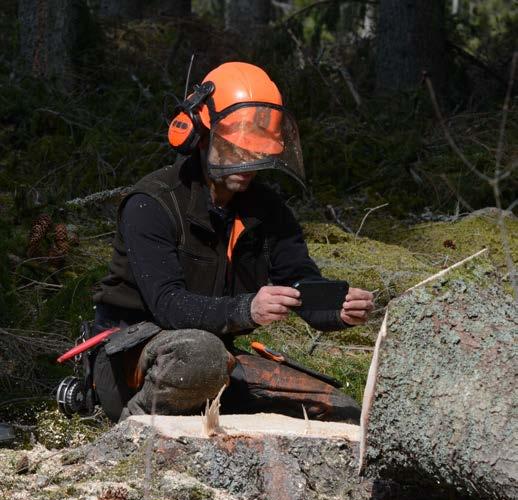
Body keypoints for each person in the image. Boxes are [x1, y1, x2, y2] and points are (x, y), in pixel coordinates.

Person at [92, 62, 374, 423]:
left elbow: (300, 281)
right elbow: (168, 306)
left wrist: (337, 309)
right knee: (200, 357)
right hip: (131, 359)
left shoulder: (269, 211)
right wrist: (246, 310)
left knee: (341, 410)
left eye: (258, 152)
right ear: (200, 135)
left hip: (215, 360)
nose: (248, 162)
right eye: (236, 148)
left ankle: (205, 416)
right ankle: (135, 434)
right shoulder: (151, 203)